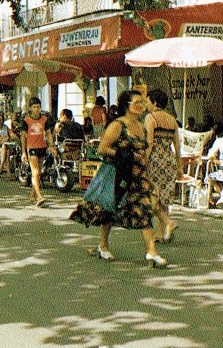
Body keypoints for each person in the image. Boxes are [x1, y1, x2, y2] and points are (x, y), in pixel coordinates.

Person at [68, 90, 167, 268]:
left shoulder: (141, 126)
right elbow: (102, 149)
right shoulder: (117, 125)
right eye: (137, 102)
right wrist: (126, 156)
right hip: (116, 174)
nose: (140, 106)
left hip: (136, 176)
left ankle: (152, 252)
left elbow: (142, 153)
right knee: (109, 210)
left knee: (143, 210)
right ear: (126, 105)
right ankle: (103, 245)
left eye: (142, 103)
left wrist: (146, 173)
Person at [144, 89, 182, 244]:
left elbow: (150, 143)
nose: (146, 104)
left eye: (147, 101)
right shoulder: (172, 120)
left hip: (155, 160)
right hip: (169, 160)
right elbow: (177, 145)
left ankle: (168, 222)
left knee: (151, 196)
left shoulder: (150, 118)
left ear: (154, 102)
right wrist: (179, 165)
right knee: (164, 198)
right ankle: (160, 233)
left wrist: (144, 161)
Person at [20, 97, 55, 207]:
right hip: (32, 148)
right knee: (35, 172)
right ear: (30, 108)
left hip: (42, 147)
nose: (36, 109)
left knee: (38, 172)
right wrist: (23, 152)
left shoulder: (44, 119)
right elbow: (23, 137)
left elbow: (49, 133)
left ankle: (32, 195)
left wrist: (52, 146)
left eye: (38, 107)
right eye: (34, 107)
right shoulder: (26, 121)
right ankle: (40, 197)